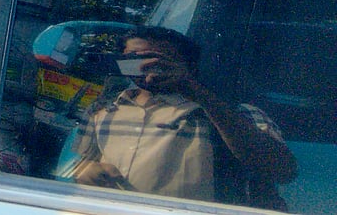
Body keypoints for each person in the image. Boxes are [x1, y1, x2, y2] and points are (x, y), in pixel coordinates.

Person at [67, 26, 296, 210]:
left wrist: (195, 91)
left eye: (158, 61)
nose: (146, 67)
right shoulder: (102, 111)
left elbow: (282, 170)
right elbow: (78, 167)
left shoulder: (233, 113)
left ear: (189, 67)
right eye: (134, 59)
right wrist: (86, 172)